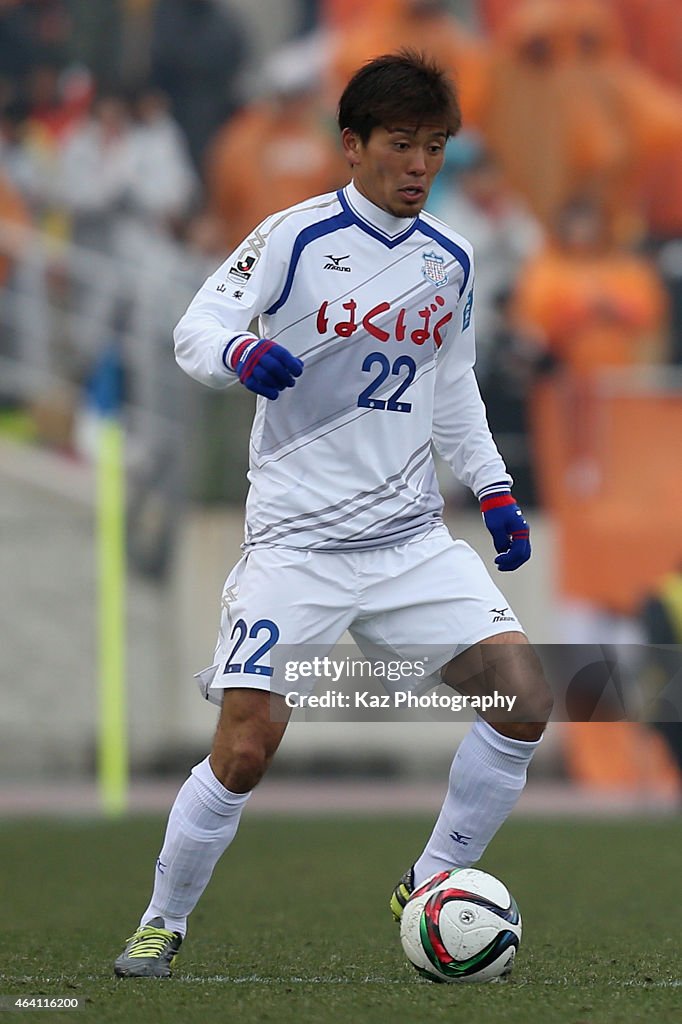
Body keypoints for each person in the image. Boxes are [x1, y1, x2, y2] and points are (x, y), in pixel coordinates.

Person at [113, 50, 552, 979]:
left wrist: (496, 486)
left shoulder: (451, 258)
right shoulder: (292, 238)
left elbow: (452, 382)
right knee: (244, 748)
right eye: (401, 144)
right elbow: (195, 326)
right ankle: (161, 923)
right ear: (352, 147)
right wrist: (240, 351)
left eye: (435, 147)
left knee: (524, 700)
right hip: (298, 547)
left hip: (409, 541)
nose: (420, 165)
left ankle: (430, 882)